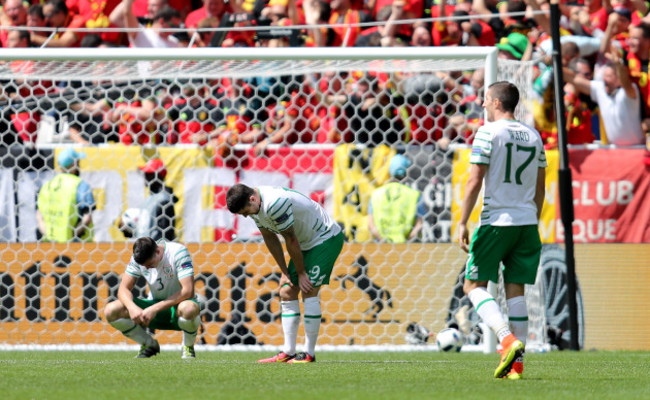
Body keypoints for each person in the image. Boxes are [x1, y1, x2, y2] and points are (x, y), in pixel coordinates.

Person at [457, 81, 546, 380]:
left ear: (496, 103)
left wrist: (461, 221)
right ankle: (516, 367)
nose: (482, 105)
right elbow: (540, 186)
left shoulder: (488, 132)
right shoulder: (534, 136)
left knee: (472, 285)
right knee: (516, 291)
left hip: (496, 221)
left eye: (485, 100)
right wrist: (530, 215)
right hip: (527, 222)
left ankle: (506, 340)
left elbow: (474, 180)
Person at [226, 183, 344, 363]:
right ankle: (288, 351)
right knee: (286, 292)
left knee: (308, 290)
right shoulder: (256, 206)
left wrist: (301, 272)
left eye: (245, 212)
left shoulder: (275, 203)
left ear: (252, 199)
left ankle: (308, 353)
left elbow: (290, 238)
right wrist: (284, 271)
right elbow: (269, 237)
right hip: (305, 243)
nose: (246, 215)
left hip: (324, 238)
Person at [103, 236, 201, 359]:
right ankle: (148, 344)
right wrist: (132, 307)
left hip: (177, 310)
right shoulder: (137, 258)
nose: (147, 268)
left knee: (189, 308)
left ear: (158, 252)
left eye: (150, 265)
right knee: (111, 310)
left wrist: (154, 309)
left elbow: (188, 291)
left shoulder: (178, 252)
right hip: (153, 309)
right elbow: (123, 289)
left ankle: (188, 346)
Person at [36, 148, 95, 242]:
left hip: (49, 245)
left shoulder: (48, 185)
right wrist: (72, 236)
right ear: (74, 164)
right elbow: (87, 217)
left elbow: (39, 216)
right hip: (77, 246)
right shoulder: (80, 185)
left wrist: (49, 236)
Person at [368, 154, 424, 243]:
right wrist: (405, 242)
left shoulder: (376, 194)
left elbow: (371, 225)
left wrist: (383, 241)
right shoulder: (414, 195)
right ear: (407, 172)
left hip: (381, 246)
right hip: (406, 248)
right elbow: (419, 225)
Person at [119, 158, 178, 241]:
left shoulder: (163, 200)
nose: (145, 177)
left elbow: (165, 236)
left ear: (158, 176)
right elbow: (146, 230)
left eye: (149, 174)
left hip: (154, 252)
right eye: (145, 174)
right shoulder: (150, 199)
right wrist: (128, 229)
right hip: (146, 251)